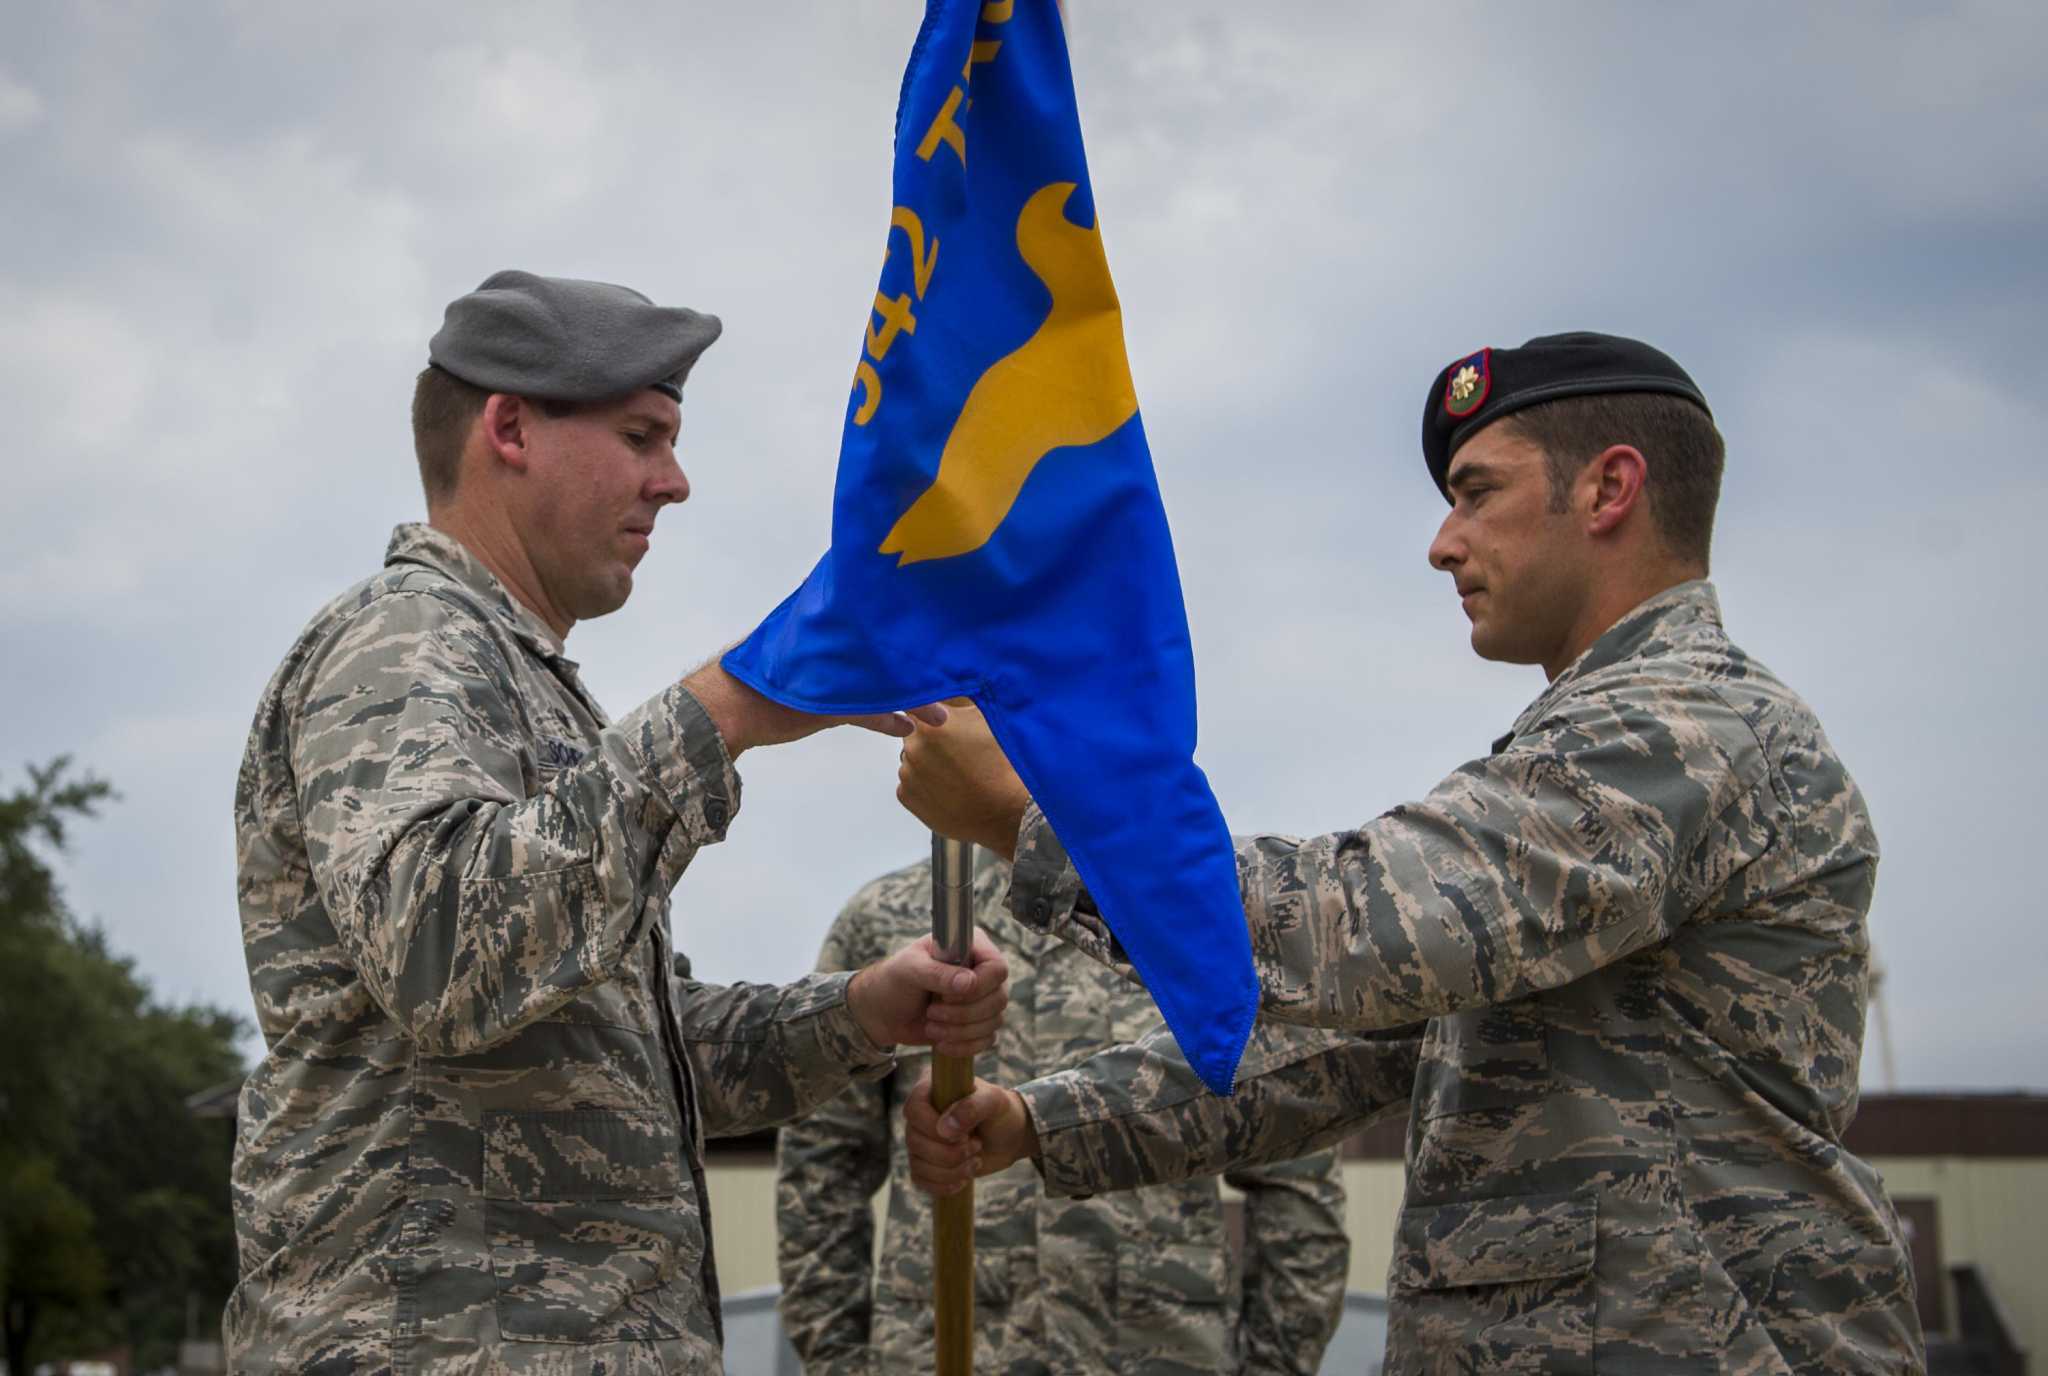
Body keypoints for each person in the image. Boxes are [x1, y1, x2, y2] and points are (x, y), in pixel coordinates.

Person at [894, 334, 1926, 1373]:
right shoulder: (1598, 739)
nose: (1442, 541)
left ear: (1608, 487)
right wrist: (1042, 1118)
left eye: (1476, 492)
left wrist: (1036, 817)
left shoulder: (1683, 726)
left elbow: (1359, 927)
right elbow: (1359, 1043)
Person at [227, 270, 1009, 1376]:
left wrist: (861, 1012)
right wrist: (729, 706)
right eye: (642, 435)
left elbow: (625, 1059)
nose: (674, 482)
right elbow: (445, 954)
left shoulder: (515, 676)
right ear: (508, 427)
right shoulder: (406, 643)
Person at [775, 852, 1350, 1376]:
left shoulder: (1190, 916)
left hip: (1162, 1354)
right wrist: (843, 1364)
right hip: (941, 1354)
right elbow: (820, 1171)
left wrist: (1273, 1366)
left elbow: (1295, 1165)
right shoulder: (889, 927)